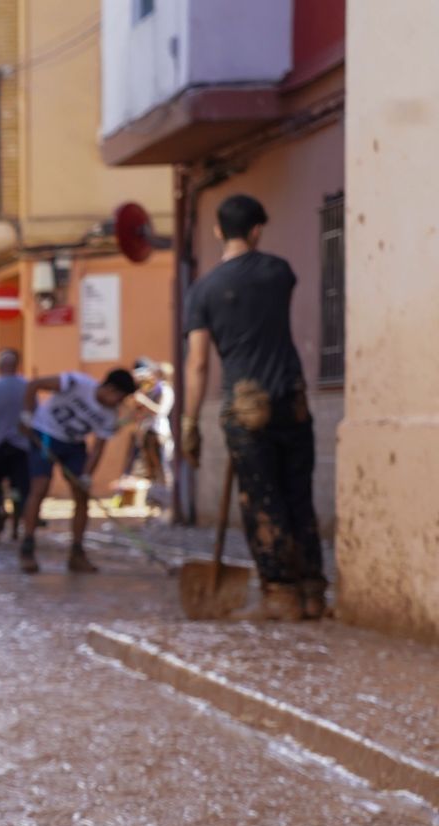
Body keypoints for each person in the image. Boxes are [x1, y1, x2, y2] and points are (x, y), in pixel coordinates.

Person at [181, 194, 326, 619]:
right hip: (293, 398)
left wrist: (190, 423)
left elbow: (198, 362)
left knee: (262, 499)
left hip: (246, 405)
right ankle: (313, 592)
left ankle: (280, 595)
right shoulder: (280, 272)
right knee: (298, 494)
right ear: (258, 230)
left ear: (216, 231)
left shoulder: (203, 290)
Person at [19, 366, 137, 574]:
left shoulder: (109, 416)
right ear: (109, 388)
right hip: (45, 435)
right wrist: (27, 414)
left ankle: (77, 552)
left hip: (73, 445)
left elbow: (98, 448)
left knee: (82, 496)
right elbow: (34, 385)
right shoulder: (75, 383)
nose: (119, 402)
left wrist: (86, 475)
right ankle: (27, 547)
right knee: (40, 487)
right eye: (119, 396)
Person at [0, 348, 32, 543]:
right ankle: (18, 527)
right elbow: (33, 414)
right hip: (21, 446)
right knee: (20, 488)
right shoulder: (26, 385)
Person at [132, 358, 189, 525]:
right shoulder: (151, 390)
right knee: (152, 473)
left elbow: (160, 412)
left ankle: (169, 508)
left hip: (159, 433)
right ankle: (155, 508)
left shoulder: (165, 390)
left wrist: (143, 401)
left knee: (163, 472)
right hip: (148, 433)